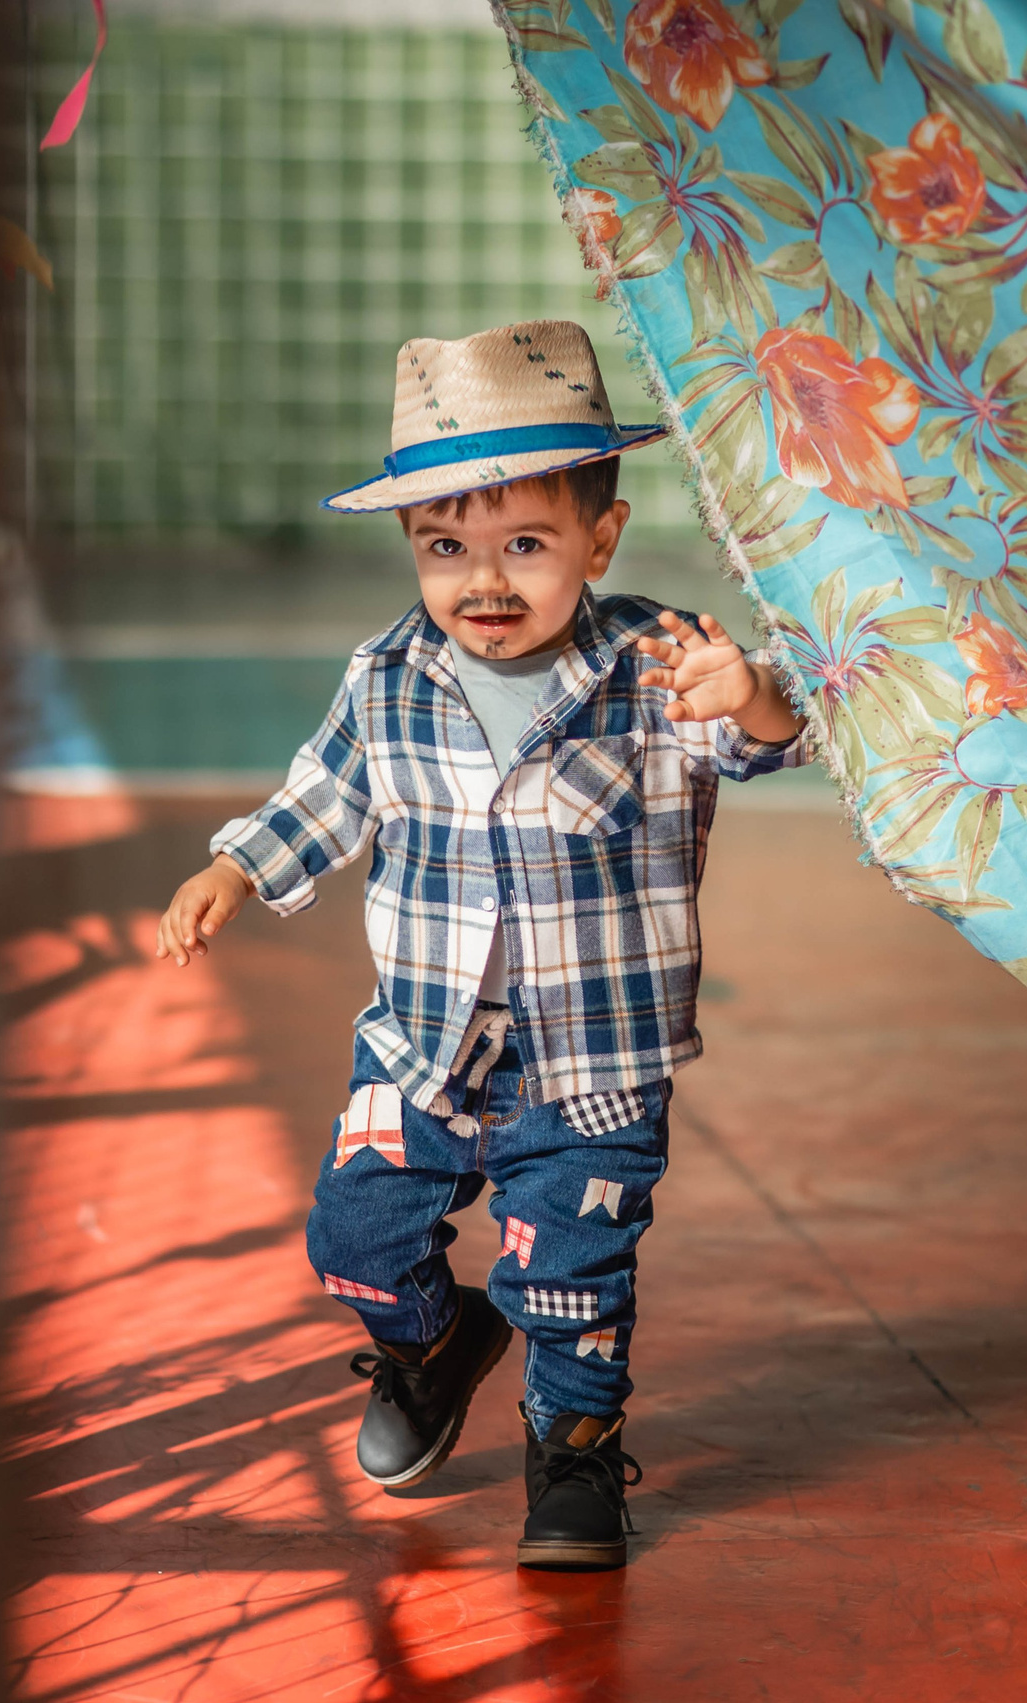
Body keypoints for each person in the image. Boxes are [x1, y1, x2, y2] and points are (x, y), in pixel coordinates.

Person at [153, 320, 808, 1571]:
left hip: (594, 1062)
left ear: (599, 541)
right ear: (411, 546)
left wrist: (754, 696)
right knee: (352, 1242)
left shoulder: (658, 664)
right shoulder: (389, 674)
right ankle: (433, 1343)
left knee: (574, 1279)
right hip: (420, 1048)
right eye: (445, 548)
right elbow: (325, 796)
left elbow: (761, 742)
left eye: (524, 545)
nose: (482, 582)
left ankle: (571, 1450)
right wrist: (235, 864)